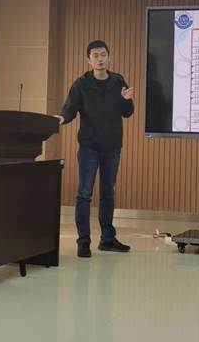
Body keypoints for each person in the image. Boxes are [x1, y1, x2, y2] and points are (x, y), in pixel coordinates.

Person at [57, 40, 135, 258]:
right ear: (88, 60)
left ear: (109, 57)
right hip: (89, 147)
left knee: (108, 193)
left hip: (112, 147)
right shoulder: (81, 84)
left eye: (103, 55)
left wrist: (127, 101)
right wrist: (60, 118)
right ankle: (83, 241)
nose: (100, 59)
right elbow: (70, 109)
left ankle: (107, 239)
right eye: (95, 55)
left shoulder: (118, 81)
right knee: (84, 194)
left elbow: (127, 112)